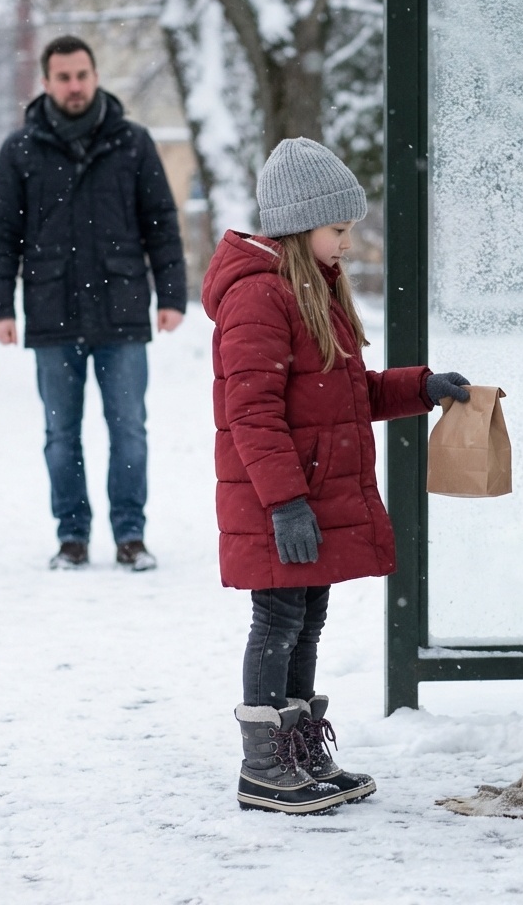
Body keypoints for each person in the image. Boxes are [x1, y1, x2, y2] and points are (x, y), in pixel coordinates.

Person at [202, 136, 470, 814]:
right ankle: (263, 765)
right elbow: (251, 414)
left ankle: (296, 751)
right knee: (277, 619)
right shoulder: (260, 298)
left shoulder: (311, 291)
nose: (348, 244)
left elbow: (348, 397)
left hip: (306, 498)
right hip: (279, 500)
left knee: (306, 619)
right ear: (299, 225)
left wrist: (422, 387)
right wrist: (287, 504)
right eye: (339, 230)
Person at [0, 35, 187, 572]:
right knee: (60, 436)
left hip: (122, 314)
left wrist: (172, 296)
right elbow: (2, 234)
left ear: (94, 76)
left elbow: (161, 224)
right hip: (52, 315)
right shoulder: (21, 149)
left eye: (82, 75)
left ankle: (130, 537)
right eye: (64, 77)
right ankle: (72, 537)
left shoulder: (133, 142)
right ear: (47, 83)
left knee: (129, 431)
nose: (74, 86)